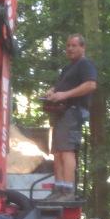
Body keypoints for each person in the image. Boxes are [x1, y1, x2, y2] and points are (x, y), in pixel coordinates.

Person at [43, 33, 97, 201]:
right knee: (58, 152)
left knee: (67, 150)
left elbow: (91, 85)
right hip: (61, 112)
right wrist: (52, 91)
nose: (70, 49)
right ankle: (59, 189)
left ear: (83, 47)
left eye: (74, 45)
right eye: (68, 46)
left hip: (73, 111)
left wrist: (65, 95)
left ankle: (68, 191)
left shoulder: (85, 64)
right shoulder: (68, 68)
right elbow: (60, 86)